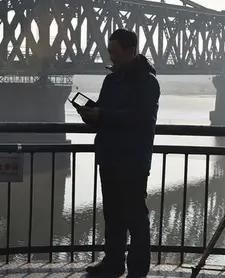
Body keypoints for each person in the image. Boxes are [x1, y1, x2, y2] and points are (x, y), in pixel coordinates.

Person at [77, 28, 160, 278]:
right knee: (113, 213)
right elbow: (107, 114)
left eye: (114, 51)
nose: (110, 57)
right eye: (109, 51)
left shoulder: (148, 82)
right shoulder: (111, 81)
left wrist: (103, 115)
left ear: (130, 51)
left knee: (135, 214)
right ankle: (113, 263)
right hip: (110, 155)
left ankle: (137, 269)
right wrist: (92, 115)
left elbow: (141, 118)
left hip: (133, 158)